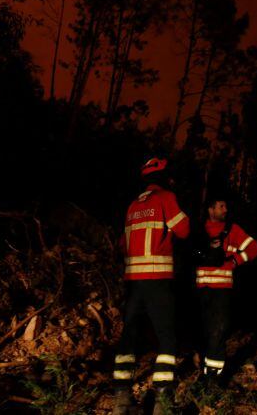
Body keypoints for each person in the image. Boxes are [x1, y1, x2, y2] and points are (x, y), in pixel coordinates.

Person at [112, 157, 190, 414]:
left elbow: (123, 244)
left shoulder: (133, 206)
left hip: (134, 283)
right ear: (166, 178)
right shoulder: (166, 197)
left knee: (129, 337)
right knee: (166, 337)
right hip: (157, 281)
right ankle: (162, 401)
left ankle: (121, 398)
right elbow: (184, 230)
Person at [194, 195, 257, 378]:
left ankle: (214, 376)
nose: (225, 210)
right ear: (210, 209)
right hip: (202, 289)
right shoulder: (199, 230)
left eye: (226, 206)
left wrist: (235, 261)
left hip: (222, 289)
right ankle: (205, 369)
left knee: (221, 328)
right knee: (205, 329)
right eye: (221, 206)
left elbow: (254, 248)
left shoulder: (233, 230)